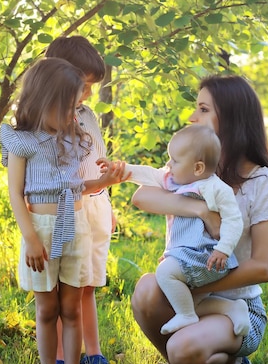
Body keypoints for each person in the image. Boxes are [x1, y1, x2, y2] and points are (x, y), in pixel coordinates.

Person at [130, 74, 268, 364]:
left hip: (238, 308)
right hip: (190, 300)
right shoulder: (194, 169)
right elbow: (142, 197)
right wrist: (200, 210)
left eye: (203, 109)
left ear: (230, 117)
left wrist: (198, 283)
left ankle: (226, 362)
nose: (192, 117)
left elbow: (262, 268)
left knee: (183, 350)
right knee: (147, 290)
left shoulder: (264, 184)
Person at [0, 58, 125, 364]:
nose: (75, 113)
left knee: (71, 307)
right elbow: (15, 194)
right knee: (46, 309)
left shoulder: (74, 136)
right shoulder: (21, 141)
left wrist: (104, 180)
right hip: (40, 229)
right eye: (69, 106)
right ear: (45, 100)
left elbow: (79, 185)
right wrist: (31, 238)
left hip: (76, 227)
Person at [104, 123, 249, 337]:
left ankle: (187, 317)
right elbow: (149, 175)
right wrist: (122, 171)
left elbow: (234, 220)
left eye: (175, 160)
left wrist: (224, 249)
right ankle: (231, 309)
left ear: (198, 168)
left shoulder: (217, 189)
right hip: (186, 255)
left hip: (206, 256)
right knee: (185, 301)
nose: (168, 164)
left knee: (165, 274)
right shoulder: (173, 180)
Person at [45, 35, 116, 364]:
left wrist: (108, 201)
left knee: (88, 283)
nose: (88, 94)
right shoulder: (49, 121)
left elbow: (95, 162)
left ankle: (93, 351)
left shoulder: (87, 115)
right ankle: (58, 356)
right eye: (85, 85)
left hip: (96, 207)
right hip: (69, 211)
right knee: (64, 288)